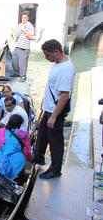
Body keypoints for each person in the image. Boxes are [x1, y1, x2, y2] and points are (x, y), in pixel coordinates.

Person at [33, 39, 75, 179]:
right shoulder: (58, 63)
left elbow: (64, 96)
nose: (46, 58)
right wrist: (45, 102)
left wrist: (54, 116)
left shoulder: (66, 69)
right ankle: (38, 156)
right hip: (49, 107)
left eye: (47, 55)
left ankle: (55, 169)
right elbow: (52, 87)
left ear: (56, 51)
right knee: (42, 131)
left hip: (56, 110)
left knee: (55, 139)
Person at [0, 114, 32, 180]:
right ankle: (24, 172)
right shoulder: (23, 134)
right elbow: (27, 152)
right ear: (19, 125)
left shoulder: (0, 131)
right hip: (15, 164)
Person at [11, 12, 35, 83]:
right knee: (14, 60)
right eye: (22, 18)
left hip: (24, 48)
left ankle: (23, 76)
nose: (23, 19)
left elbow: (31, 36)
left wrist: (24, 30)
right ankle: (17, 73)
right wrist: (12, 34)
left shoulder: (30, 26)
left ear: (28, 18)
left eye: (25, 18)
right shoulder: (19, 25)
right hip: (17, 46)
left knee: (22, 64)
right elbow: (14, 33)